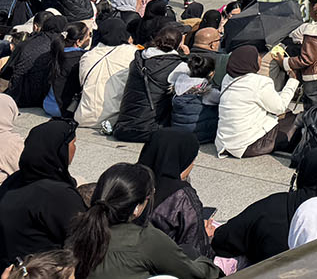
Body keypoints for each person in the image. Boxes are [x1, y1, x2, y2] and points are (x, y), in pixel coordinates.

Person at [66, 162, 224, 279]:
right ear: (137, 207)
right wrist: (211, 266)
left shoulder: (78, 229)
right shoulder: (145, 239)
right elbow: (194, 274)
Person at [0, 120, 84, 264]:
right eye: (73, 144)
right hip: (40, 269)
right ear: (60, 150)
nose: (75, 149)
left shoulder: (14, 180)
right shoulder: (58, 195)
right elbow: (85, 238)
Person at [136, 128, 213, 260]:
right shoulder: (181, 196)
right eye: (192, 160)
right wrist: (205, 237)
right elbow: (195, 254)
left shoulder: (121, 179)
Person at [215, 45, 300, 159]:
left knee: (286, 116)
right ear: (251, 62)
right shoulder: (260, 82)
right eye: (257, 56)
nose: (260, 58)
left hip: (224, 143)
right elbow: (279, 107)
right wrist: (293, 81)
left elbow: (259, 97)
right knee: (297, 119)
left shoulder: (227, 78)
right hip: (248, 145)